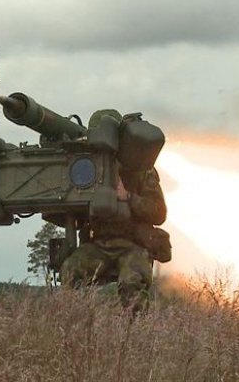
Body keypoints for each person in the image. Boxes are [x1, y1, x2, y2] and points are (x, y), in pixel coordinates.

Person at [60, 109, 168, 314]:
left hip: (133, 246)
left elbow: (159, 213)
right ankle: (76, 328)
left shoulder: (141, 169)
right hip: (99, 245)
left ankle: (137, 333)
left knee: (131, 282)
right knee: (70, 270)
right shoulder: (86, 168)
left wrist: (128, 197)